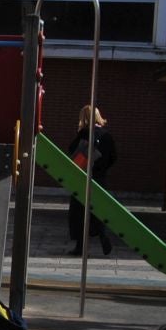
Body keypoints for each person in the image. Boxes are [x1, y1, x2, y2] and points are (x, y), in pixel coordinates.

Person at [67, 105, 119, 257]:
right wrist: (102, 169)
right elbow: (114, 156)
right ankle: (103, 235)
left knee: (79, 213)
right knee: (98, 209)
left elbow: (71, 150)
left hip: (82, 178)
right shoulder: (107, 135)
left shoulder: (84, 133)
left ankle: (80, 247)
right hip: (100, 179)